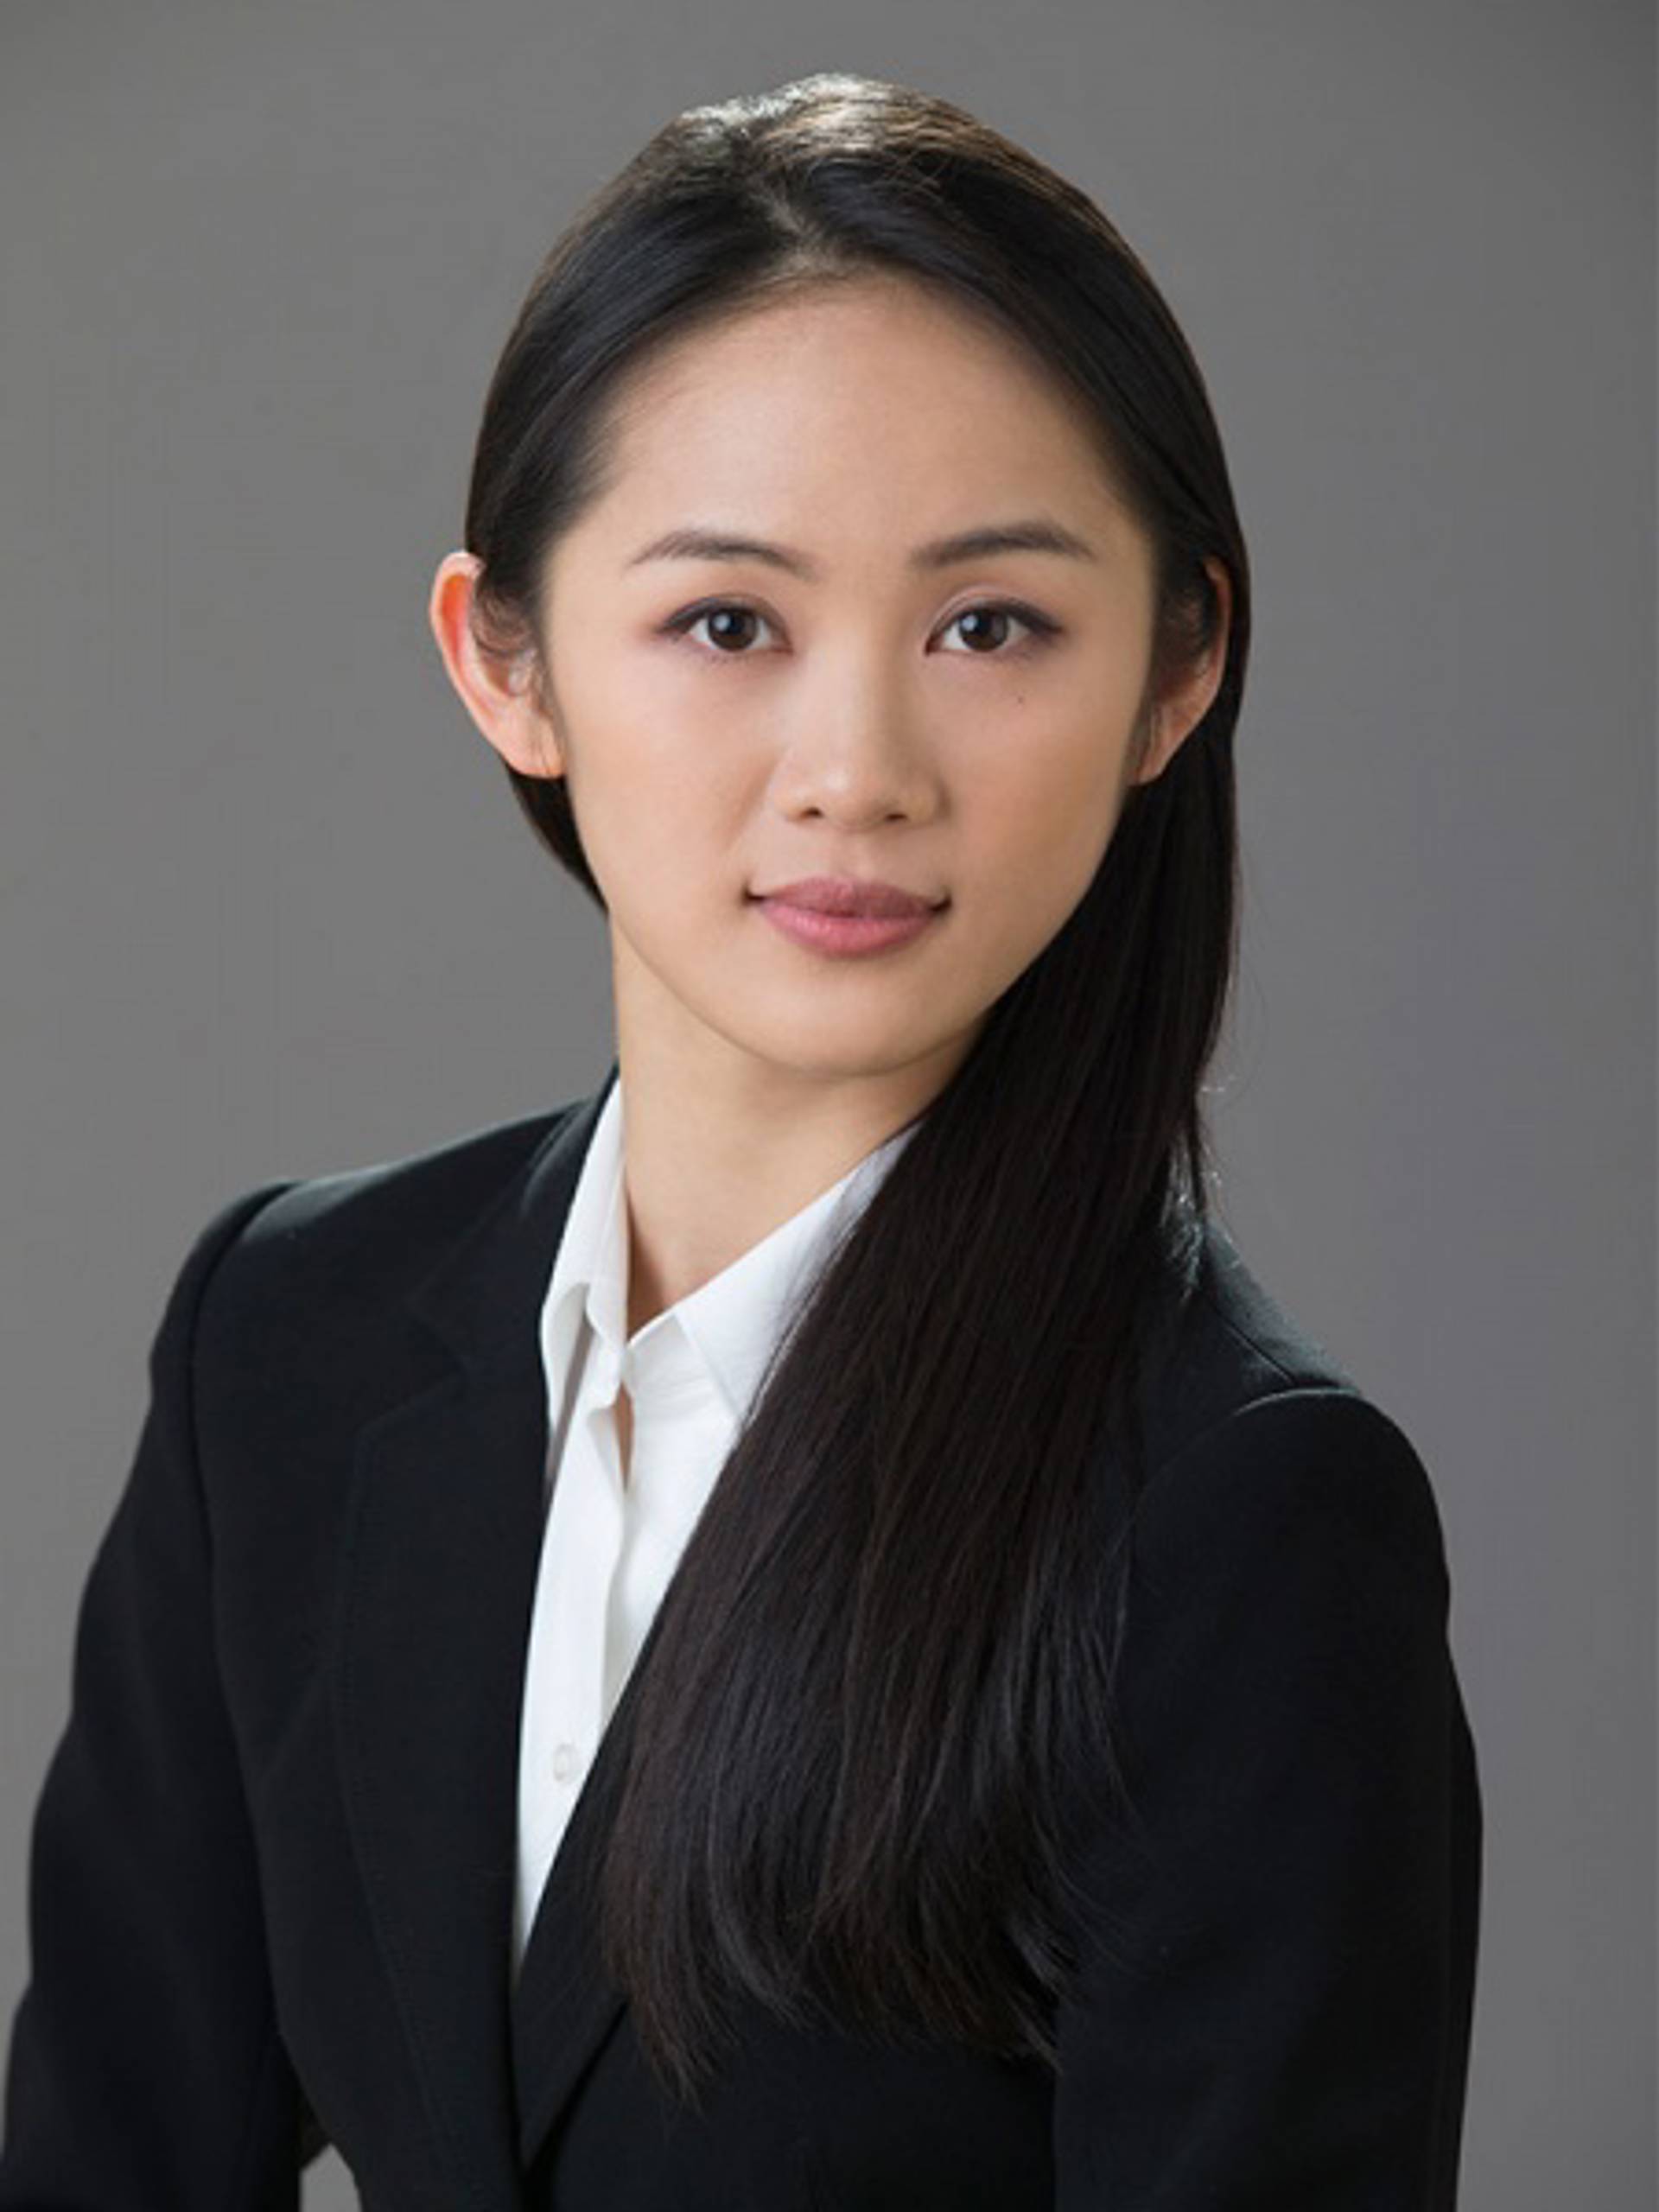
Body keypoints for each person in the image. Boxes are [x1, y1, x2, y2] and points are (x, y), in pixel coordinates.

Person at [0, 69, 1481, 2209]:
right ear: (505, 659)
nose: (855, 767)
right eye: (726, 622)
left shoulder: (1241, 1520)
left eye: (992, 625)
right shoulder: (289, 1340)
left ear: (1178, 669)